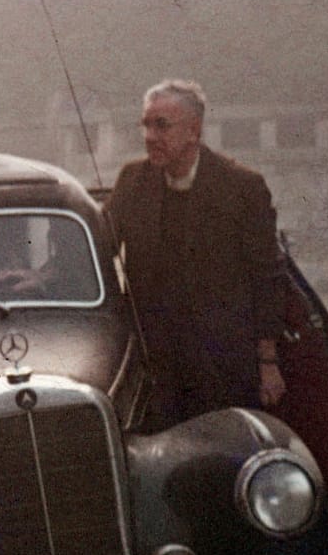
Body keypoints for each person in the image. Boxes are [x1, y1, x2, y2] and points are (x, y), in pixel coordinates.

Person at [100, 79, 287, 429]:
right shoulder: (133, 181)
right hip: (154, 363)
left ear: (194, 131)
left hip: (222, 362)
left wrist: (267, 362)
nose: (150, 136)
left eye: (161, 125)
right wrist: (47, 272)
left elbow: (266, 276)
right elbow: (100, 243)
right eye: (146, 124)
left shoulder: (242, 188)